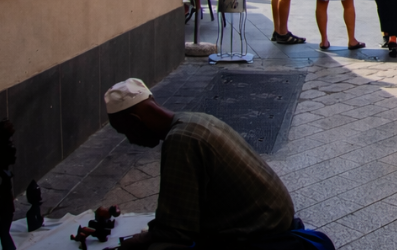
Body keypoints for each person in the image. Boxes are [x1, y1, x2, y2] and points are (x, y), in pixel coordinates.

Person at [102, 78, 331, 250]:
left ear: (135, 121)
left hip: (262, 231)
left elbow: (174, 231)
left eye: (125, 132)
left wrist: (136, 242)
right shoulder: (194, 120)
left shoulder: (180, 140)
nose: (130, 140)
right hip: (273, 218)